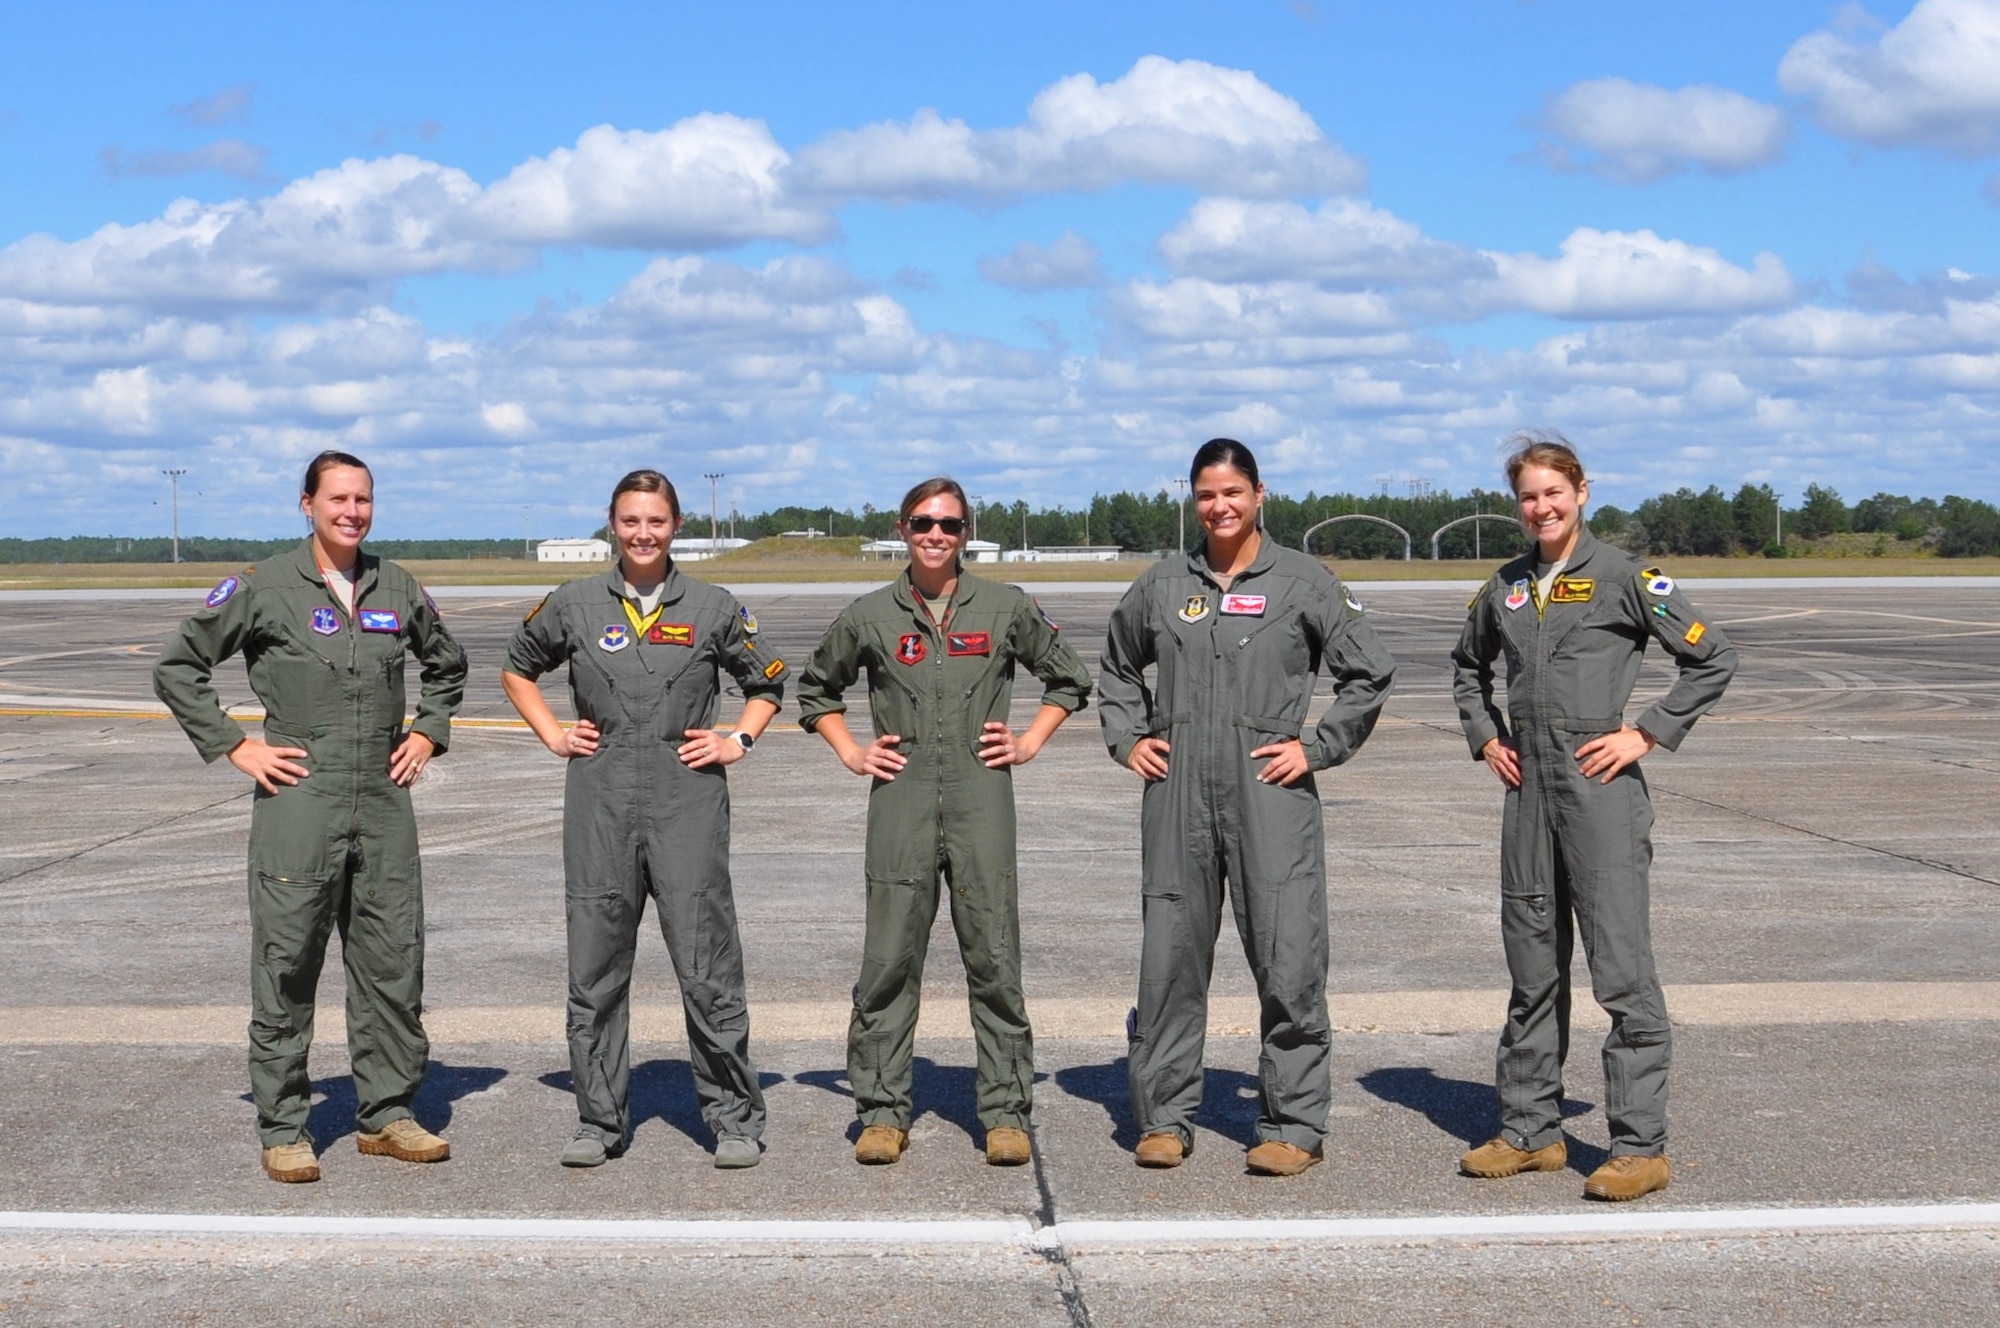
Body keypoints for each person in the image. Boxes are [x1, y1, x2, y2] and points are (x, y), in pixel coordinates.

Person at [153, 450, 467, 1184]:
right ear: (307, 505)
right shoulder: (263, 588)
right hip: (301, 799)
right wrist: (236, 745)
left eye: (363, 499)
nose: (352, 512)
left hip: (385, 802)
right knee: (288, 963)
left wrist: (428, 731)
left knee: (392, 962)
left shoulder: (398, 585)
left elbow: (447, 666)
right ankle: (285, 1126)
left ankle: (387, 1114)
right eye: (338, 499)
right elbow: (178, 666)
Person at [1451, 431, 1736, 1201]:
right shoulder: (1507, 586)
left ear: (1581, 491)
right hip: (1528, 798)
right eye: (1528, 496)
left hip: (1599, 794)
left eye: (1553, 492)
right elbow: (1465, 668)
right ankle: (1530, 1130)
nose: (1540, 507)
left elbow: (1713, 658)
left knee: (1621, 972)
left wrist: (1645, 732)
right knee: (1532, 970)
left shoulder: (1625, 576)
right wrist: (1485, 739)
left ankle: (1640, 1145)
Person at [1098, 439, 1395, 1176]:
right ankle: (1164, 1117)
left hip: (1270, 794)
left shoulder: (1303, 580)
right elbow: (1114, 662)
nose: (1219, 506)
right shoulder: (1166, 583)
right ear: (1192, 500)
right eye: (1206, 494)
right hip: (1177, 798)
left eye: (1232, 491)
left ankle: (1293, 1123)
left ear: (1260, 493)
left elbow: (1370, 672)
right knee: (1169, 961)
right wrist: (1129, 737)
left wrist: (1317, 747)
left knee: (1289, 958)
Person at [795, 477, 1092, 1167]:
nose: (936, 535)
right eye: (924, 522)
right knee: (890, 959)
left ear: (967, 534)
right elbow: (814, 689)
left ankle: (1006, 1111)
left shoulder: (1005, 607)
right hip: (899, 801)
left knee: (993, 955)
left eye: (951, 525)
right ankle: (881, 1110)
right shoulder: (870, 614)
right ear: (902, 528)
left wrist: (1029, 740)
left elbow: (1070, 678)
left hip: (981, 797)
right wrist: (850, 749)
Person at [501, 469, 785, 1170]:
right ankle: (600, 1119)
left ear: (676, 525)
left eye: (655, 521)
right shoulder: (573, 603)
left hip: (686, 801)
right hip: (599, 802)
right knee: (595, 967)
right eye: (630, 520)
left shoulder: (714, 606)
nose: (642, 533)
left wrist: (737, 740)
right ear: (611, 524)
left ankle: (733, 1118)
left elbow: (770, 681)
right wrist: (552, 733)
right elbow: (517, 667)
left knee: (706, 965)